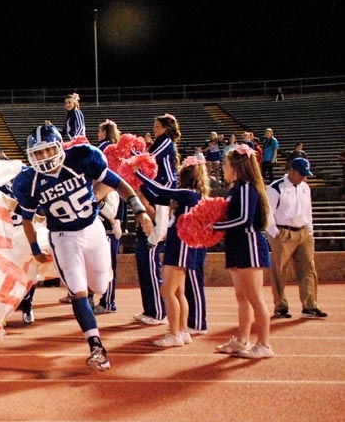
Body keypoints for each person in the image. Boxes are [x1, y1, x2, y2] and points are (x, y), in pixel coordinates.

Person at [13, 122, 154, 370]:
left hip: (92, 229)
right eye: (37, 153)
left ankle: (96, 301)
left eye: (47, 150)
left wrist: (139, 209)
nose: (43, 157)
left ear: (59, 147)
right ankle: (96, 346)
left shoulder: (82, 157)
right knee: (78, 291)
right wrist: (35, 248)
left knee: (100, 285)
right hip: (63, 238)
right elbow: (27, 219)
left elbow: (118, 182)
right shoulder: (28, 182)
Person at [136, 157, 210, 346]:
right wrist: (138, 184)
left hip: (181, 247)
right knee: (178, 292)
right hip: (178, 245)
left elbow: (161, 191)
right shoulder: (189, 195)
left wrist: (138, 173)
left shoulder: (188, 194)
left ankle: (174, 333)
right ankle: (182, 331)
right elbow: (157, 197)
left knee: (167, 291)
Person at [212, 145, 273, 359]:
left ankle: (264, 345)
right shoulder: (236, 188)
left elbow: (244, 219)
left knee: (255, 297)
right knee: (241, 296)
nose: (223, 169)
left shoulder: (247, 187)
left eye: (226, 165)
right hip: (237, 245)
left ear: (236, 167)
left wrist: (214, 226)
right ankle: (242, 340)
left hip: (249, 245)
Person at [134, 114, 180, 326]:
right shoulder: (160, 143)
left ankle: (158, 311)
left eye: (157, 126)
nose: (154, 129)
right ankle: (150, 309)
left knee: (151, 260)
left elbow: (148, 159)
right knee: (144, 259)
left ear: (166, 128)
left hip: (163, 195)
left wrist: (133, 155)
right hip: (155, 194)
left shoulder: (166, 143)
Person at [266, 158, 326, 319]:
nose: (304, 178)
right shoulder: (275, 188)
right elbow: (267, 212)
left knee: (308, 268)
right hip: (283, 232)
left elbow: (308, 210)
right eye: (301, 174)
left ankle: (310, 305)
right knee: (279, 270)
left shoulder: (305, 187)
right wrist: (274, 232)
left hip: (303, 232)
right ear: (291, 171)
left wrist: (310, 230)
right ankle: (281, 306)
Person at [94, 119, 123, 315]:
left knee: (109, 266)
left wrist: (113, 220)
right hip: (104, 227)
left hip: (109, 229)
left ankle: (109, 302)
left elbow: (110, 210)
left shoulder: (109, 185)